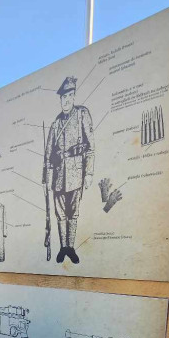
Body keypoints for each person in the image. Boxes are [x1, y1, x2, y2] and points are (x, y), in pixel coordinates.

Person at [43, 75, 94, 264]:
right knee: (60, 213)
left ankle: (70, 247)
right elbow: (48, 154)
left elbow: (91, 146)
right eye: (63, 98)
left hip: (75, 173)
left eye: (69, 97)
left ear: (73, 97)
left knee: (74, 212)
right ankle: (63, 247)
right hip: (58, 177)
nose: (65, 101)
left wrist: (88, 172)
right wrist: (47, 177)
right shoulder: (56, 123)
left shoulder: (81, 114)